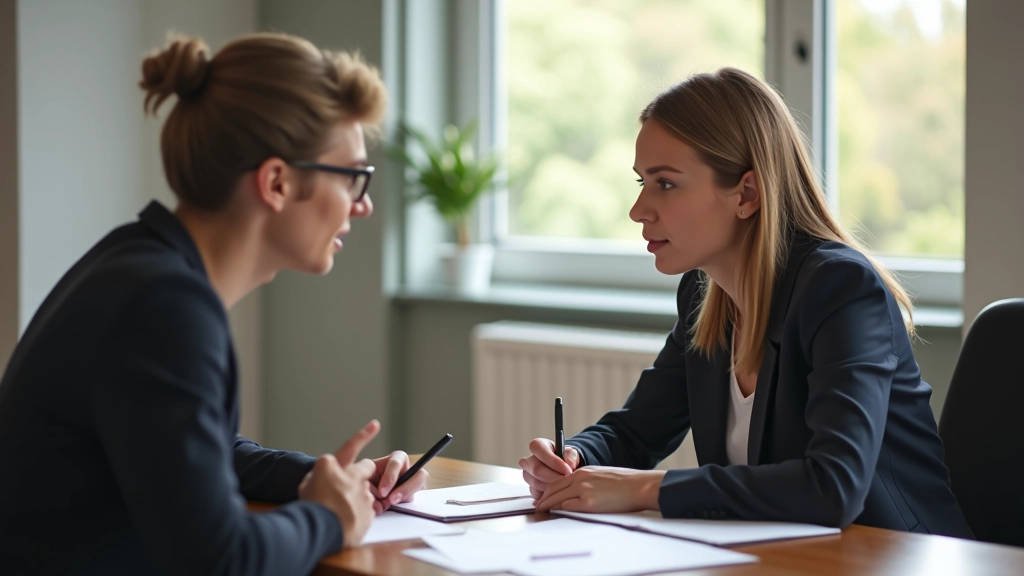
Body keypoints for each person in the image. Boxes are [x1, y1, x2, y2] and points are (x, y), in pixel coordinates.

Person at [0, 33, 428, 574]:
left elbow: (203, 452)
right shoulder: (165, 306)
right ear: (276, 182)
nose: (363, 206)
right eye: (354, 178)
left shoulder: (139, 262)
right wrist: (328, 518)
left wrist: (327, 481)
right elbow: (220, 560)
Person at [519, 68, 973, 538]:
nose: (638, 210)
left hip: (900, 557)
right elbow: (636, 432)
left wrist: (646, 489)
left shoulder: (840, 288)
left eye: (666, 184)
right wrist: (575, 457)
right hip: (781, 559)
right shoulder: (704, 293)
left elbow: (833, 486)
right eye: (642, 183)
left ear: (747, 194)